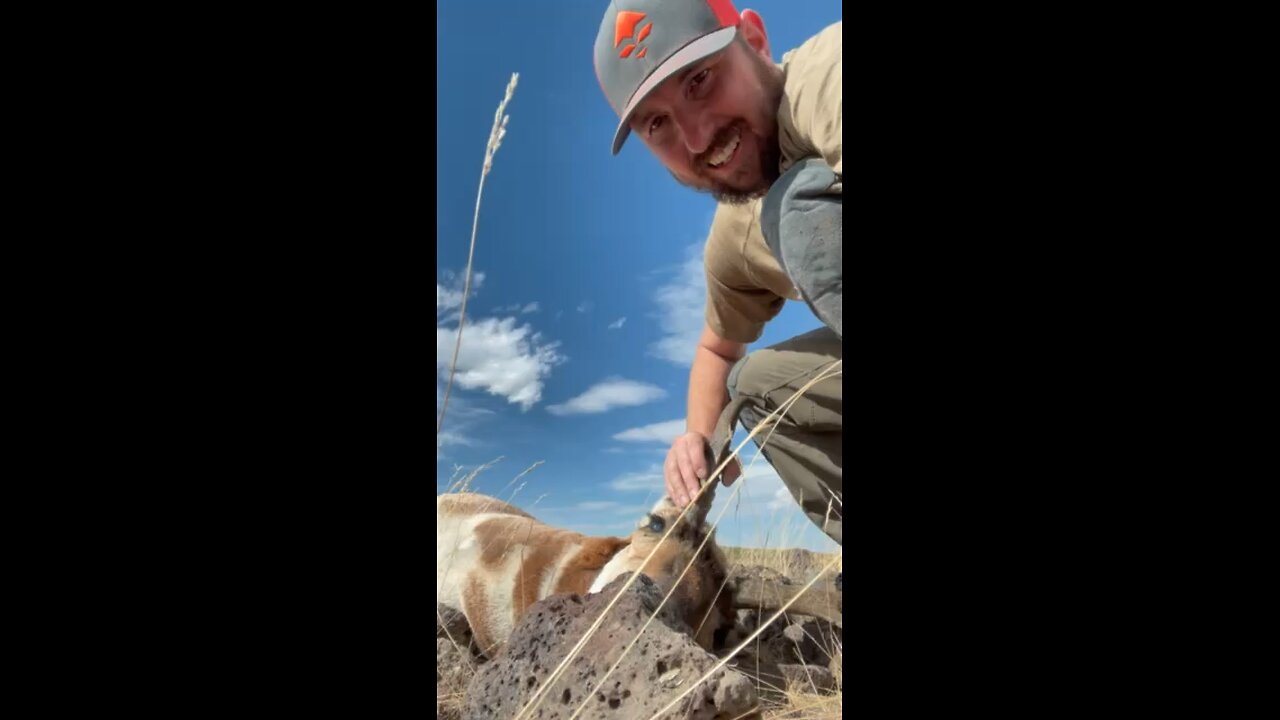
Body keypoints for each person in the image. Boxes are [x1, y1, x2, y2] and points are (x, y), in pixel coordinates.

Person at [594, 0, 843, 546]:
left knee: (797, 210)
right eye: (657, 123)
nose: (697, 138)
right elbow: (717, 350)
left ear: (754, 40)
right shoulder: (736, 234)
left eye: (699, 79)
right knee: (750, 387)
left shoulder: (830, 73)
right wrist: (697, 438)